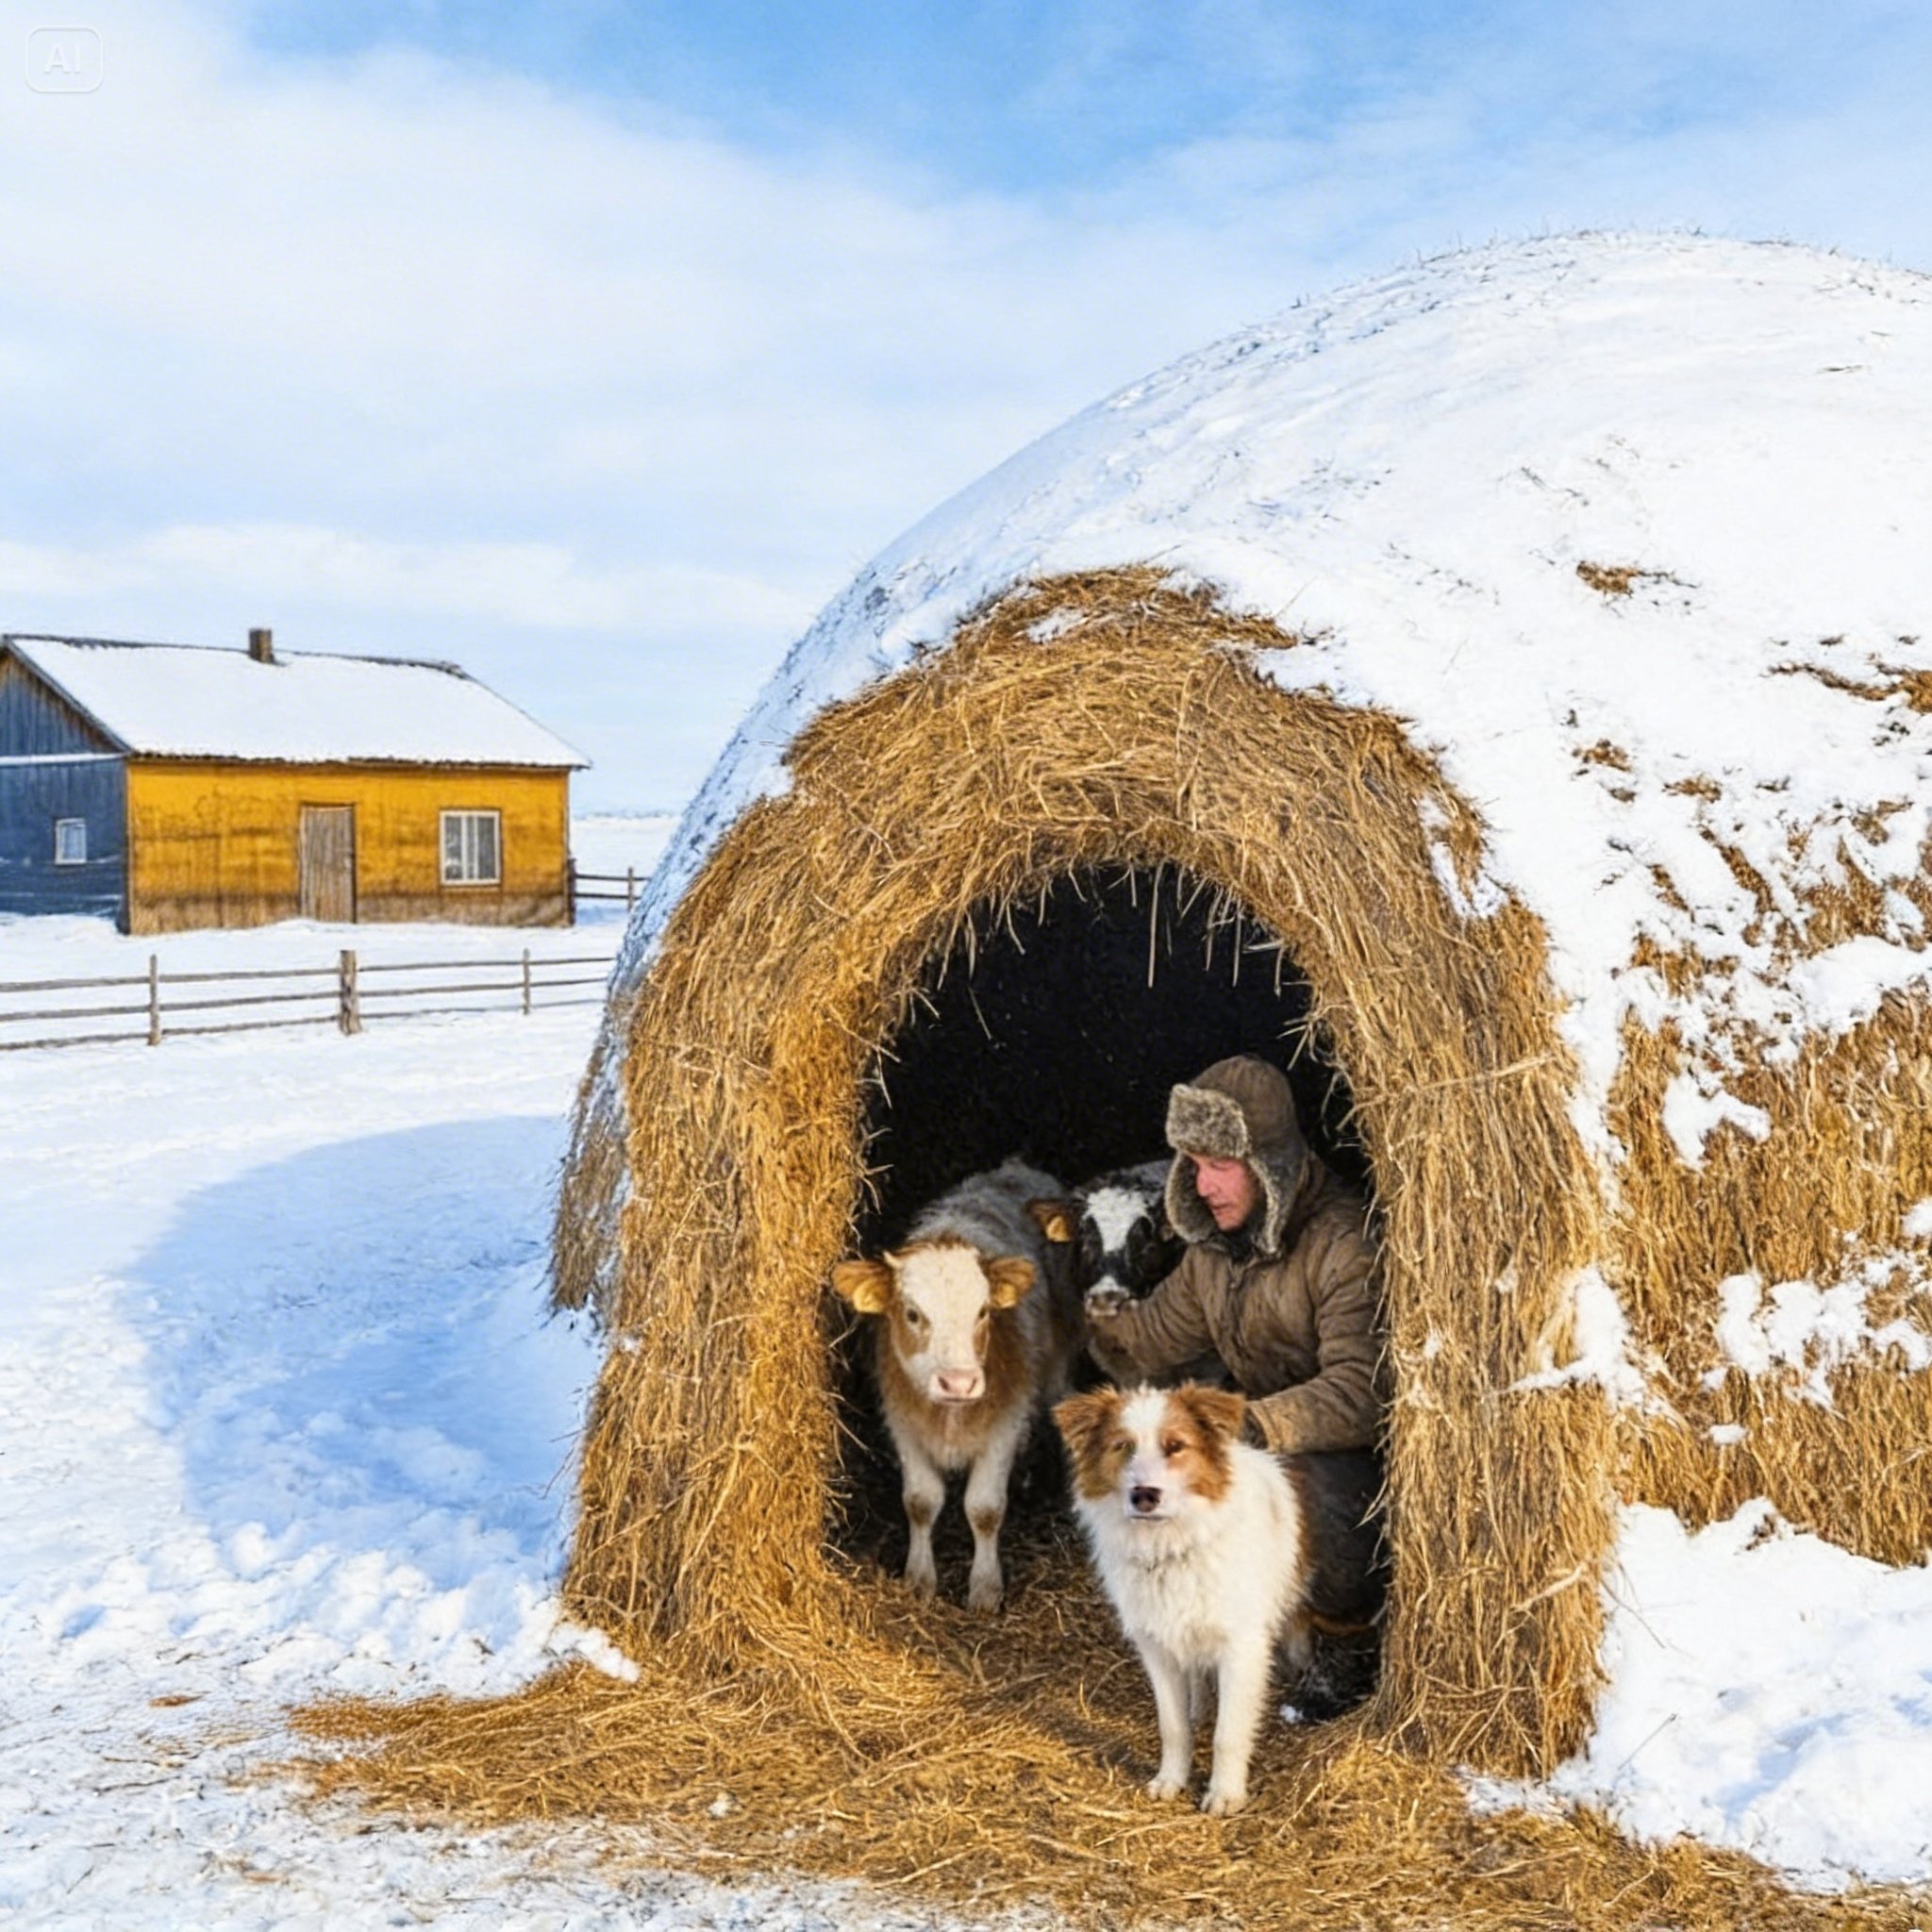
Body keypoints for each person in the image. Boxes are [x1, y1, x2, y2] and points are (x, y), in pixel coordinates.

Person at [1084, 1054, 1385, 1455]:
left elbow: (1363, 1393)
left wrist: (1253, 1425)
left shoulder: (1343, 1246)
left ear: (1270, 1167)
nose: (1203, 1186)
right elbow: (1149, 1336)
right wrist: (1076, 1318)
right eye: (1192, 1165)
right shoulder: (1215, 1252)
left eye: (1219, 1164)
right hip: (1260, 1448)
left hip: (1340, 1459)